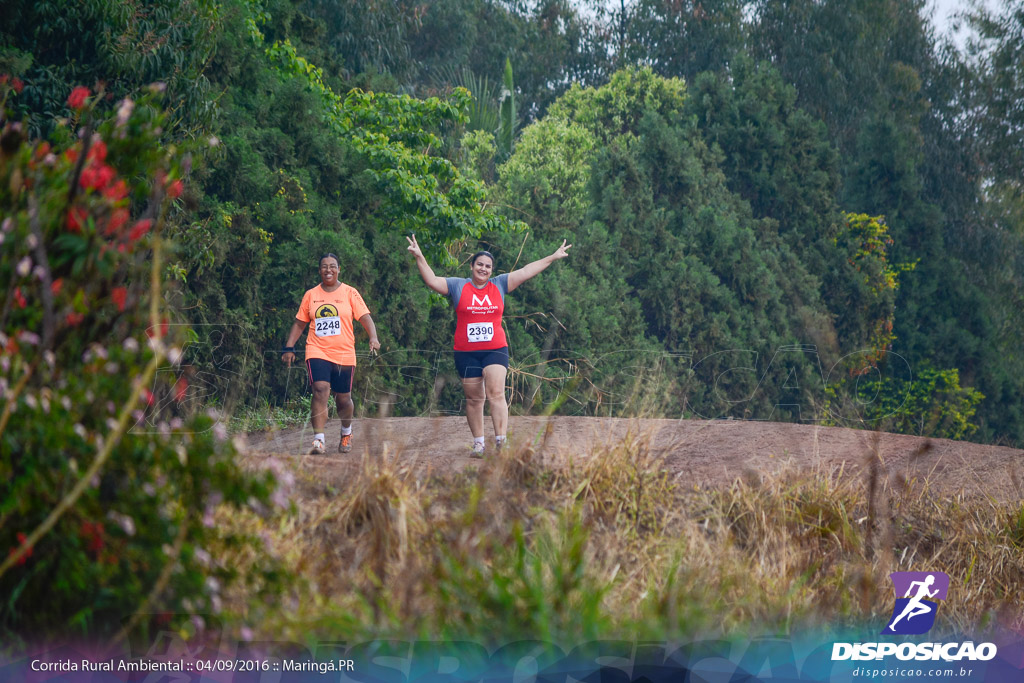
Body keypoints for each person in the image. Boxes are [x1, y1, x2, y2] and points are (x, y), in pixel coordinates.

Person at [406, 234, 572, 456]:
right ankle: (479, 443)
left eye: (488, 266)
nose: (483, 269)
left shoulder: (500, 284)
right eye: (480, 265)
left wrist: (552, 257)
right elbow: (432, 280)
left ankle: (502, 441)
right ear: (472, 266)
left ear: (492, 270)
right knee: (475, 398)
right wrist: (419, 257)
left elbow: (525, 271)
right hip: (466, 353)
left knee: (496, 392)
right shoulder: (458, 286)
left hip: (495, 349)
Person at [282, 253, 380, 455]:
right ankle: (318, 439)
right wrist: (289, 347)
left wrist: (373, 337)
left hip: (344, 351)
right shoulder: (311, 295)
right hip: (317, 349)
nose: (329, 270)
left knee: (343, 398)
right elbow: (300, 322)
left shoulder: (350, 293)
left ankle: (346, 433)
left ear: (339, 269)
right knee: (320, 389)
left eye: (333, 266)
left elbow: (365, 317)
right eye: (324, 267)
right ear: (319, 271)